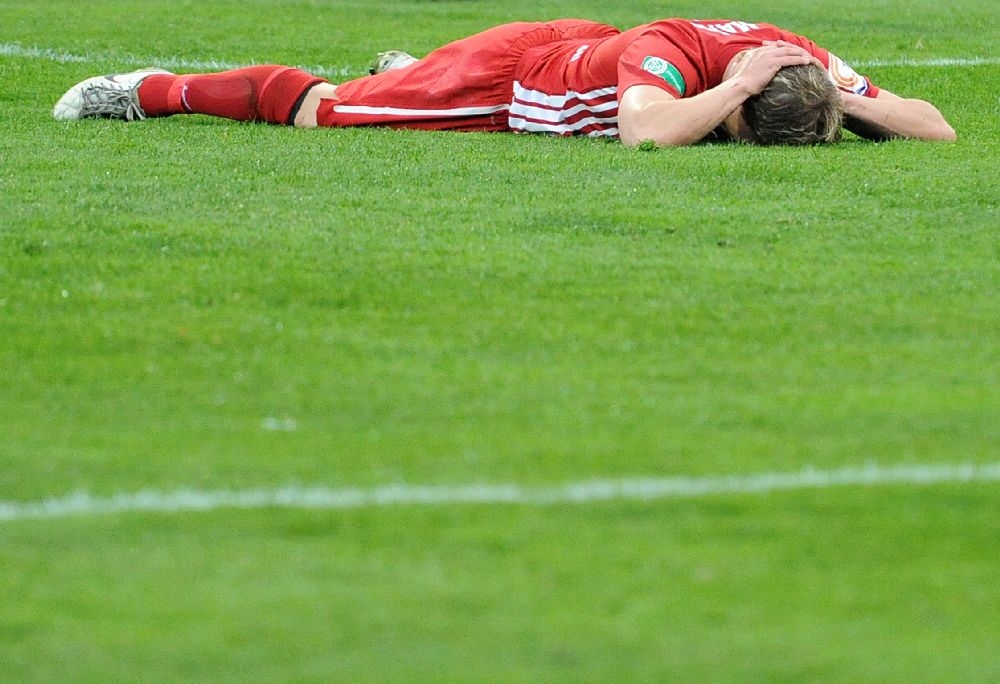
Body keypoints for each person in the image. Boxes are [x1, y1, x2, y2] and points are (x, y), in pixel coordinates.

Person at [52, 18, 956, 146]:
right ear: (740, 96)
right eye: (740, 131)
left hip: (581, 49)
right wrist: (725, 97)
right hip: (511, 82)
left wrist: (846, 100)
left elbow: (936, 126)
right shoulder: (670, 59)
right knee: (326, 113)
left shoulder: (796, 58)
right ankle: (149, 89)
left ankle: (408, 72)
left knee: (388, 88)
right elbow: (645, 133)